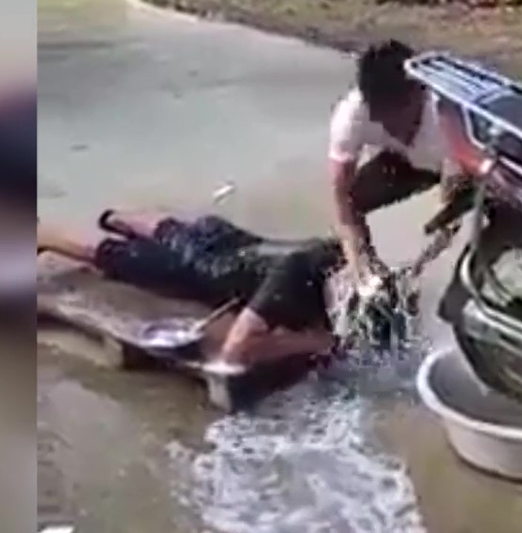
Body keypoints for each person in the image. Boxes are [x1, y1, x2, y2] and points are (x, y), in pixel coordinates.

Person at [37, 210, 342, 375]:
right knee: (116, 257)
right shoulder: (292, 282)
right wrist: (317, 342)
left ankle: (117, 219)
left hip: (228, 238)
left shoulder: (337, 254)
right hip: (203, 267)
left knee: (179, 233)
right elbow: (233, 352)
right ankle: (44, 236)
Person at [328, 40, 463, 285]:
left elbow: (448, 209)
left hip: (462, 165)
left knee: (451, 221)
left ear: (420, 92)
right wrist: (360, 265)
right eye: (381, 117)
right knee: (352, 200)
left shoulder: (446, 113)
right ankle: (372, 273)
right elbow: (341, 203)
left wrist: (423, 262)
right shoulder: (351, 117)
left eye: (399, 114)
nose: (392, 126)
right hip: (406, 162)